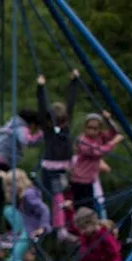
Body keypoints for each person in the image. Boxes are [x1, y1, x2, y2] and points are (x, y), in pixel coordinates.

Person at [38, 72, 80, 240]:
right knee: (50, 197)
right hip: (50, 167)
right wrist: (40, 88)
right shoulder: (47, 129)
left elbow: (71, 102)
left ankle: (61, 228)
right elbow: (42, 107)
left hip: (60, 168)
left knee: (59, 198)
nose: (62, 124)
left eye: (63, 121)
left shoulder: (65, 127)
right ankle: (54, 226)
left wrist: (74, 82)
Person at [0, 109, 43, 238]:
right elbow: (27, 141)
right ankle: (11, 231)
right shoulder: (21, 128)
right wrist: (41, 134)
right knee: (12, 197)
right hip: (3, 163)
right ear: (32, 124)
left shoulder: (11, 124)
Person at [71, 112, 123, 215]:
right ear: (85, 127)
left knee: (89, 208)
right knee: (83, 209)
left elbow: (115, 133)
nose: (92, 131)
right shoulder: (83, 140)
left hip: (88, 180)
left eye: (95, 129)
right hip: (79, 180)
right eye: (89, 128)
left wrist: (108, 120)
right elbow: (98, 152)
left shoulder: (99, 137)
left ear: (99, 129)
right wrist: (113, 142)